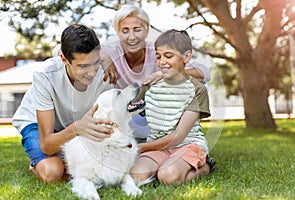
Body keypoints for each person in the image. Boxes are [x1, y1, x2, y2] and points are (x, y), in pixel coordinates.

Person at [101, 4, 215, 174]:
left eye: (137, 29)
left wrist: (165, 74)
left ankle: (195, 158)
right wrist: (103, 57)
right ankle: (159, 156)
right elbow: (64, 49)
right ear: (118, 33)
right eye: (125, 30)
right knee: (136, 174)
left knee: (194, 82)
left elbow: (204, 72)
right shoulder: (110, 50)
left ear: (147, 30)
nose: (131, 36)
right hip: (133, 116)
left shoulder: (158, 49)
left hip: (161, 113)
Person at [12, 24, 114, 183]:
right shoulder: (45, 75)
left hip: (76, 124)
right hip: (37, 123)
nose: (92, 72)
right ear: (64, 59)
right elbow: (47, 145)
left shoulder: (105, 74)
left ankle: (51, 158)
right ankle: (36, 164)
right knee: (53, 173)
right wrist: (76, 129)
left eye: (95, 62)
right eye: (83, 66)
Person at [129, 29, 211, 185]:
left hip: (187, 144)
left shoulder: (197, 90)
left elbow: (179, 136)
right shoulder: (151, 86)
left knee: (168, 177)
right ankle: (166, 164)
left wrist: (142, 147)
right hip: (159, 146)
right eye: (158, 57)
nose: (162, 62)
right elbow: (128, 111)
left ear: (186, 57)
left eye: (168, 56)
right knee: (135, 176)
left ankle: (204, 166)